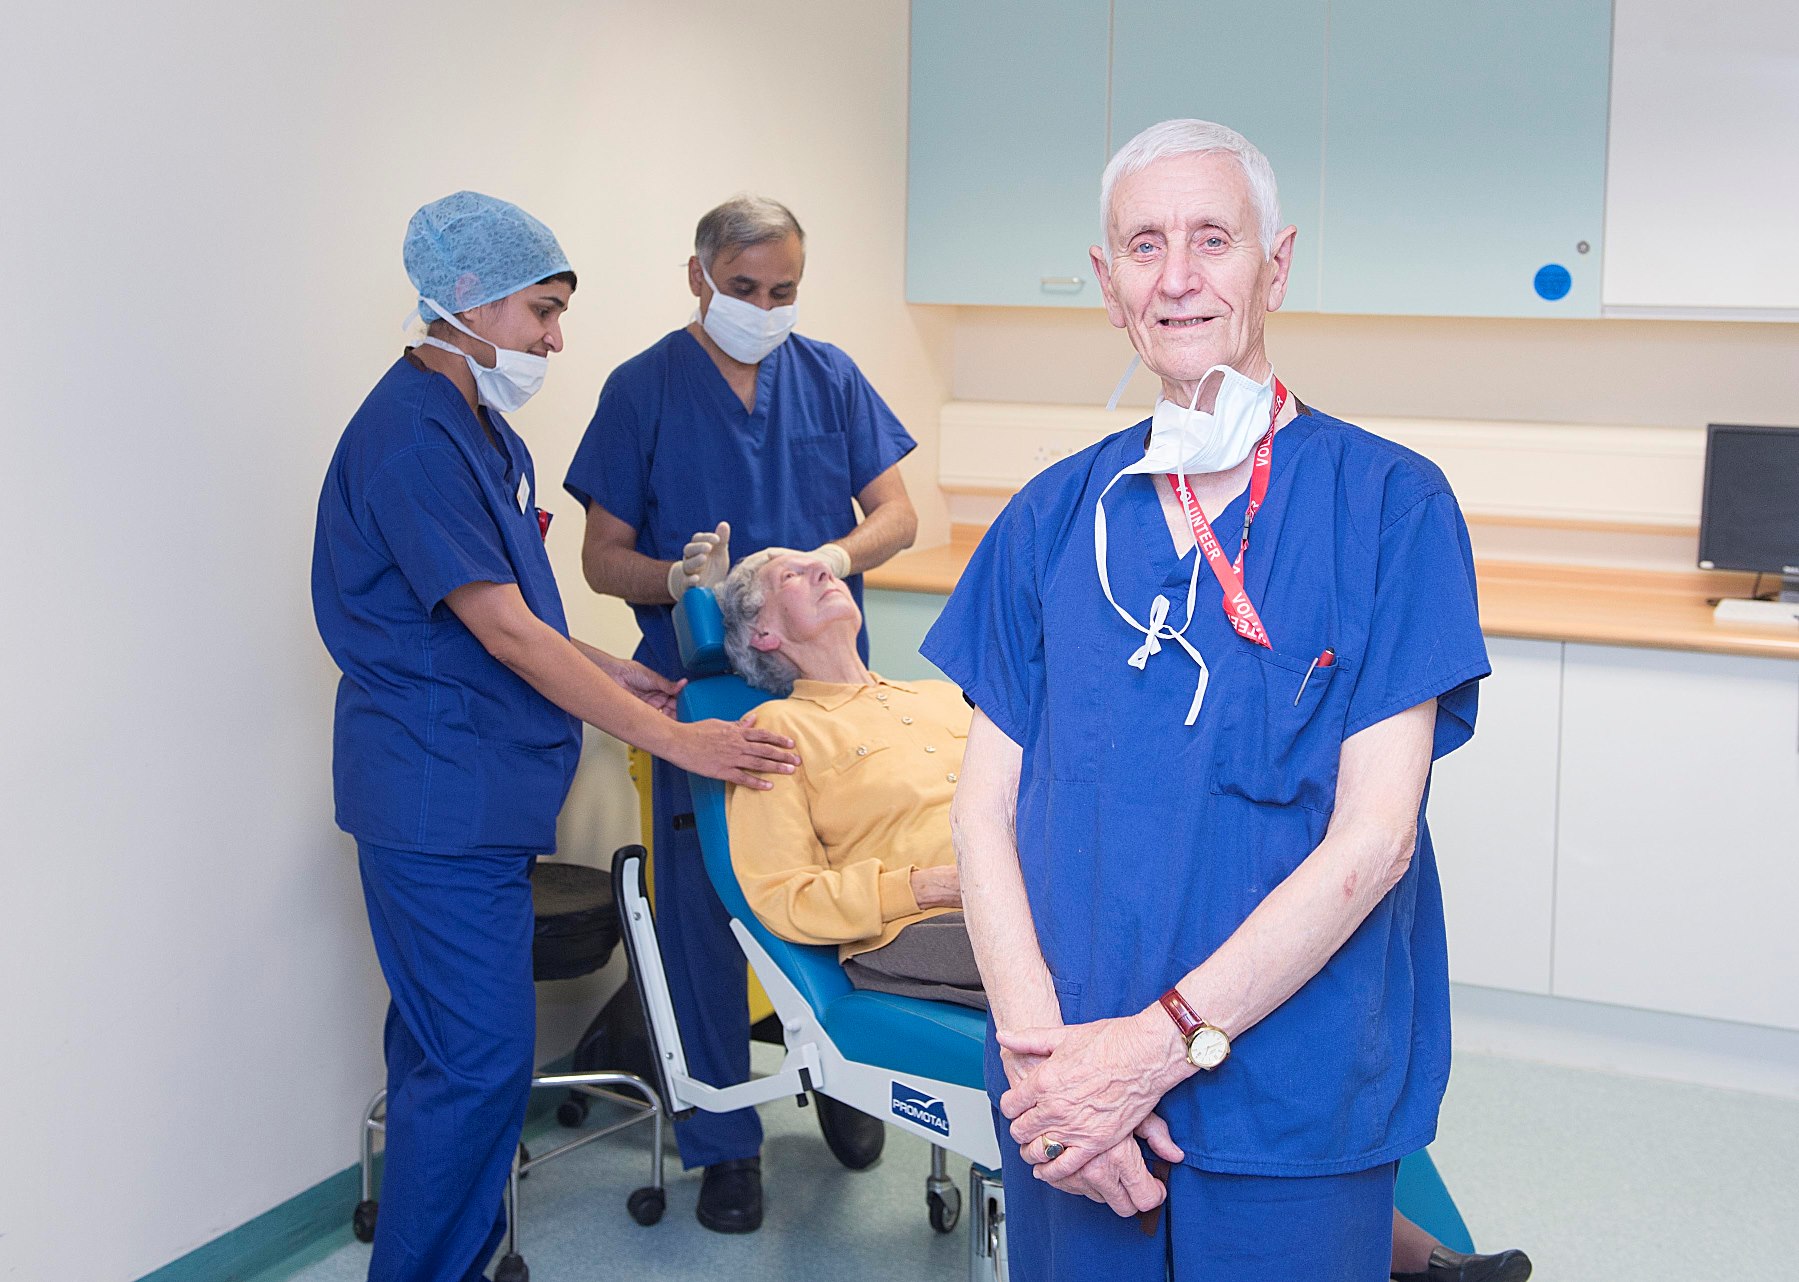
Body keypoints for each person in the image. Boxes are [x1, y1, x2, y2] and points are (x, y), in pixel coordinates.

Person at [919, 119, 1494, 1281]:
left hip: (1288, 1094)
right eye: (1142, 244)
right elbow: (981, 813)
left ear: (1272, 266)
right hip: (1066, 1097)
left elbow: (1374, 839)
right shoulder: (1045, 520)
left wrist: (1152, 1048)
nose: (1174, 275)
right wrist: (1047, 1065)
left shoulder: (1389, 506)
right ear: (1105, 281)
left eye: (1210, 239)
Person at [718, 550, 1531, 1282]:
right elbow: (782, 896)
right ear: (760, 635)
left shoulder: (937, 695)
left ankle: (1365, 1237)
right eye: (792, 574)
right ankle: (1405, 1256)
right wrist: (927, 885)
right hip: (917, 927)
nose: (824, 568)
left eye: (823, 561)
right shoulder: (775, 730)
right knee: (1142, 984)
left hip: (1029, 889)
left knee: (1261, 968)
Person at [312, 191, 799, 1282]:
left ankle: (468, 1250)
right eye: (541, 312)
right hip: (433, 795)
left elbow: (525, 620)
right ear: (469, 301)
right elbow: (503, 635)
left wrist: (622, 669)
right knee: (479, 1061)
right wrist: (671, 742)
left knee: (446, 1050)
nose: (552, 339)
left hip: (472, 788)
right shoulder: (409, 438)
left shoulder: (477, 430)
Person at [565, 195, 917, 1232]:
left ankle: (854, 1090)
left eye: (784, 292)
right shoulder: (643, 391)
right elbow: (598, 557)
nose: (766, 308)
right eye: (746, 289)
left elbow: (895, 512)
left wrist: (834, 557)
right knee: (707, 917)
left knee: (860, 895)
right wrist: (675, 581)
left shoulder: (831, 377)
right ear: (698, 278)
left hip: (827, 691)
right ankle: (725, 1142)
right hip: (701, 695)